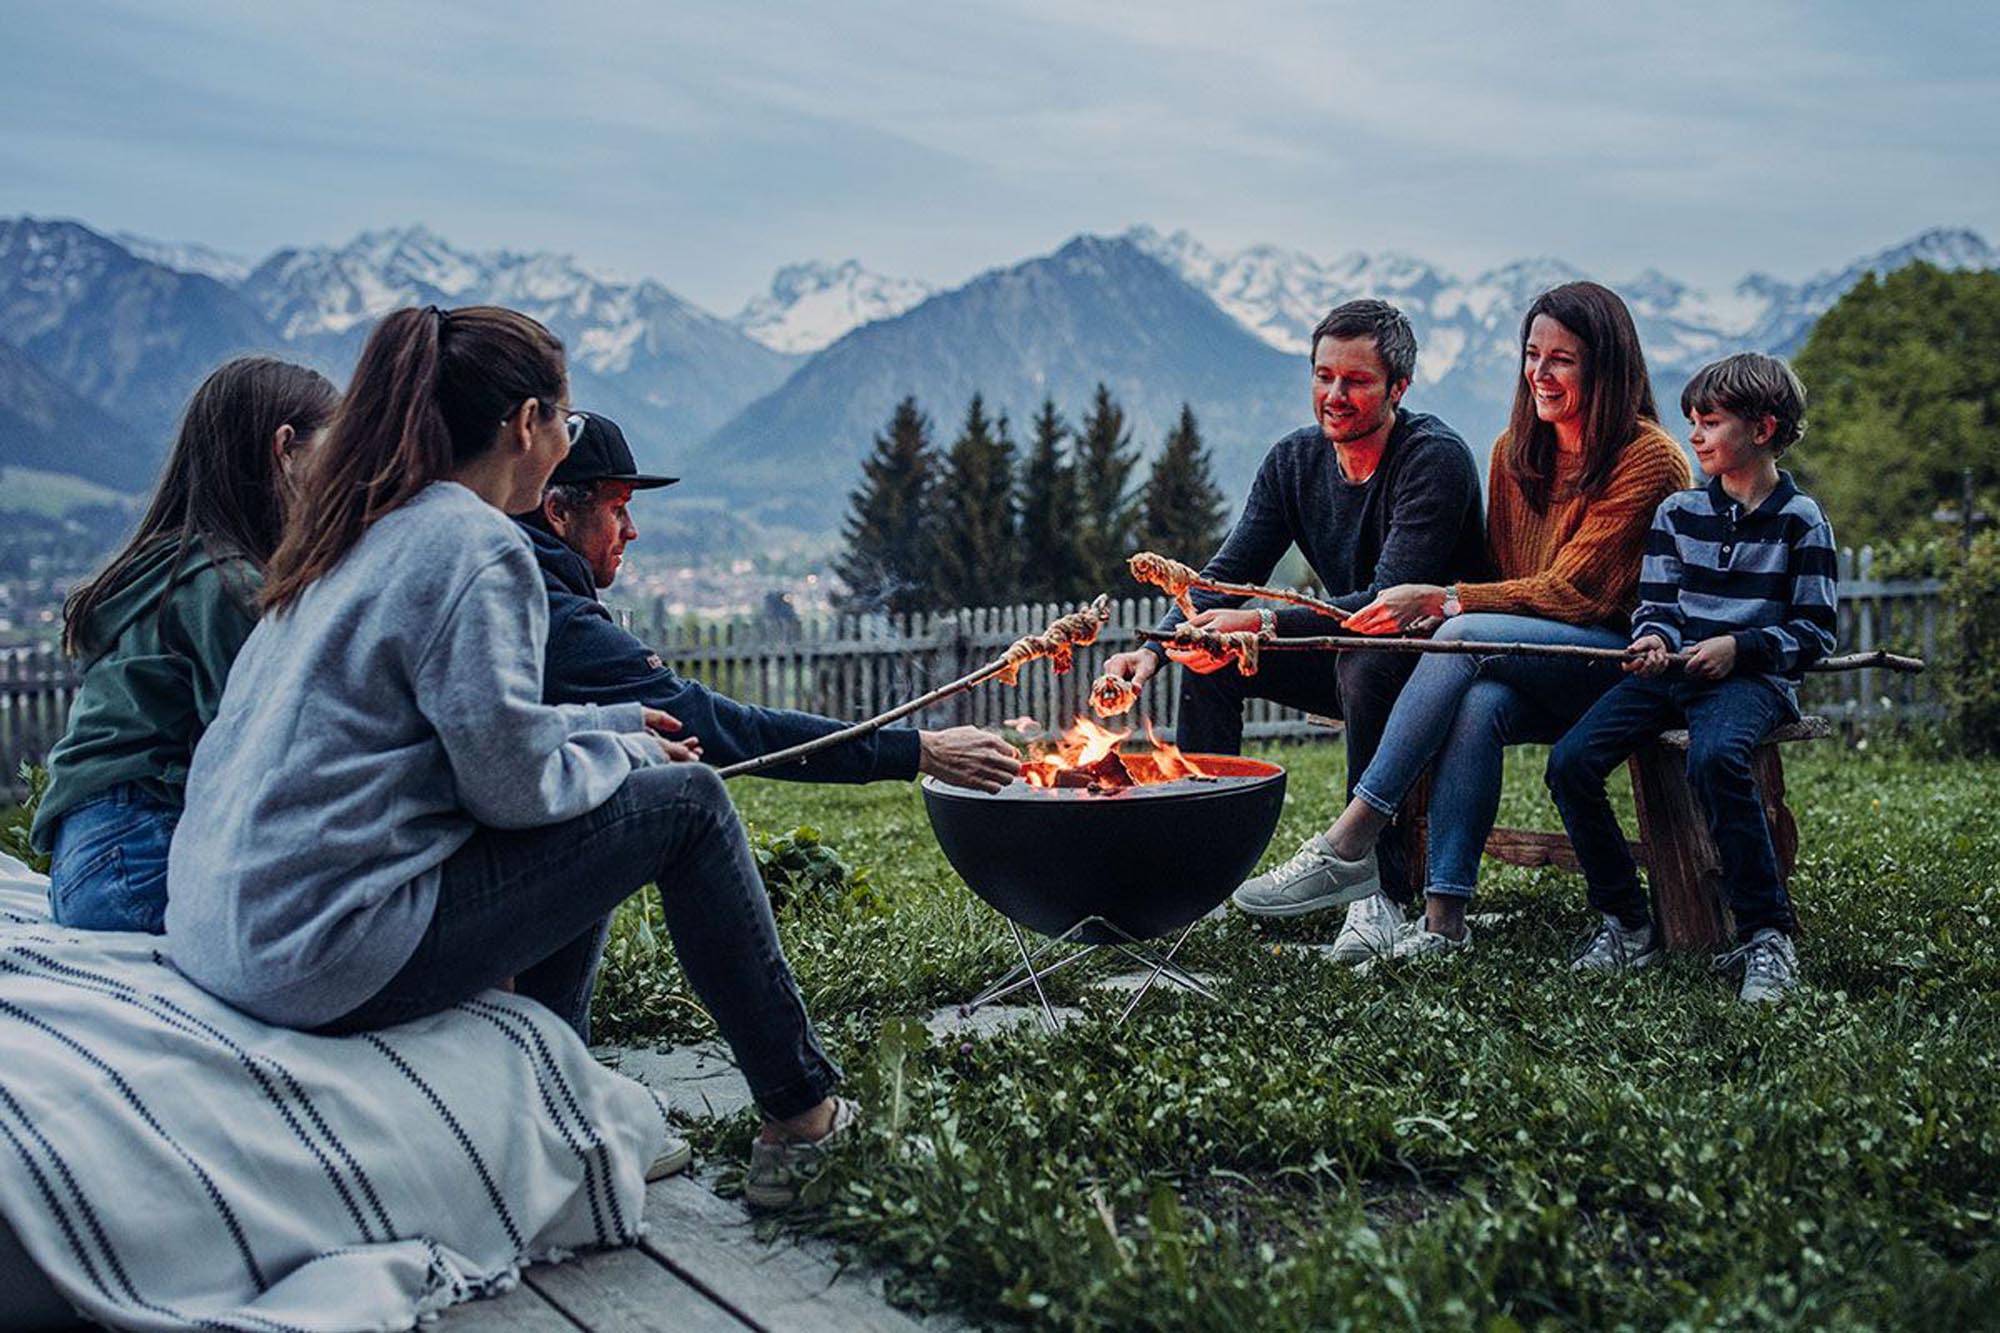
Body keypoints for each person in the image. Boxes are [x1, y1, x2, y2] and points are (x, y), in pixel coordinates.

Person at [164, 306, 847, 1208]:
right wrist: (626, 755)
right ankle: (803, 1118)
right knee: (686, 804)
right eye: (563, 419)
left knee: (610, 788)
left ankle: (551, 1098)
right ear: (527, 424)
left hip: (226, 930)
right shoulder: (477, 545)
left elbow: (470, 732)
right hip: (317, 955)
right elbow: (514, 789)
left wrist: (607, 728)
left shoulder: (353, 532)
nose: (565, 441)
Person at [1233, 281, 1692, 961]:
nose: (1540, 373)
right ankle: (1444, 923)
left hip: (1619, 664)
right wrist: (1460, 609)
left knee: (1459, 633)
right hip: (1536, 662)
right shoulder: (1514, 453)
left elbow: (1579, 594)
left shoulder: (1649, 459)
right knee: (1477, 702)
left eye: (1562, 359)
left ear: (1607, 367)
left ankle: (1352, 837)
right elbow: (1506, 580)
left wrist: (1447, 602)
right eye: (1532, 355)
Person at [1099, 299, 1485, 955]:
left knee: (1365, 661)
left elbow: (1385, 606)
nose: (1334, 395)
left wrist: (1260, 621)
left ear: (1398, 388)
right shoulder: (1294, 461)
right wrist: (1156, 650)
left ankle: (1380, 893)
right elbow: (1226, 573)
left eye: (1356, 381)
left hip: (1437, 664)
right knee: (1216, 660)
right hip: (1346, 649)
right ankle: (1202, 875)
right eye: (1323, 376)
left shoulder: (1433, 460)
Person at [515, 410, 1020, 791]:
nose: (632, 530)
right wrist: (919, 750)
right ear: (558, 512)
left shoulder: (526, 587)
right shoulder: (561, 619)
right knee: (688, 797)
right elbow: (728, 730)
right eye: (618, 508)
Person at [1546, 353, 1833, 1001]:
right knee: (1570, 762)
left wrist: (1740, 648)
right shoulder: (1678, 514)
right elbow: (1658, 608)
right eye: (1692, 422)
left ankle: (1767, 934)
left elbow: (1814, 632)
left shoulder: (1801, 520)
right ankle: (1626, 920)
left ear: (1761, 429)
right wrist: (1653, 640)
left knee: (1715, 758)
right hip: (1672, 675)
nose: (1694, 436)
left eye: (1709, 423)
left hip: (1751, 682)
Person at [30, 356, 339, 933]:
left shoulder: (166, 564)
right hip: (141, 858)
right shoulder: (226, 585)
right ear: (285, 448)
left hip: (87, 863)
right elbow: (268, 753)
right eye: (333, 447)